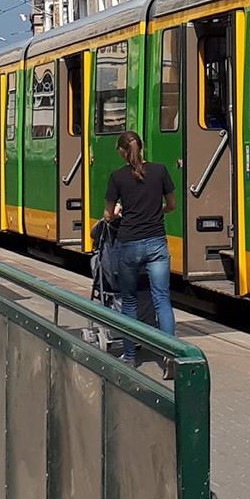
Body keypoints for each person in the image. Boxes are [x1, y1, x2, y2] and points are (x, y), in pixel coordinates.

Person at [101, 131, 175, 363]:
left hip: (129, 244)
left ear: (123, 152)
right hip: (156, 243)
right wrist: (155, 212)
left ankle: (131, 356)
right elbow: (171, 205)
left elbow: (108, 215)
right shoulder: (160, 170)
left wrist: (119, 212)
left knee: (130, 300)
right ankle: (170, 356)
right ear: (141, 148)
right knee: (162, 299)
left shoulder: (117, 177)